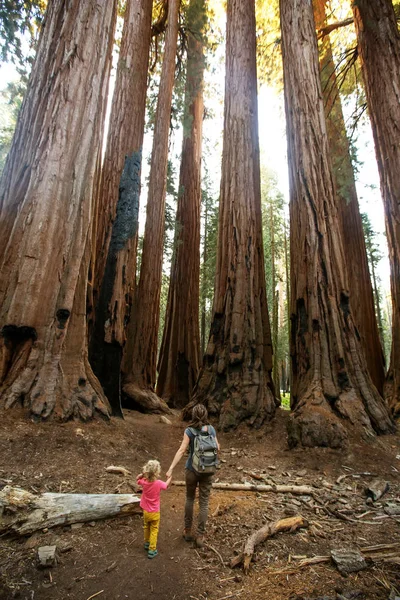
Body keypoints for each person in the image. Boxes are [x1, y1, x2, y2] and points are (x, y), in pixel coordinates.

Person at [166, 404, 220, 548]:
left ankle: (188, 531)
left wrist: (171, 468)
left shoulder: (189, 431)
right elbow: (217, 447)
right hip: (208, 471)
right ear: (206, 415)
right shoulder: (211, 429)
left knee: (190, 498)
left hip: (191, 469)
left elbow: (182, 450)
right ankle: (200, 535)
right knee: (204, 502)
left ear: (193, 415)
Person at [136, 459, 172, 559]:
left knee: (146, 526)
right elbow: (166, 486)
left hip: (145, 510)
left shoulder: (144, 482)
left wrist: (142, 475)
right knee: (154, 529)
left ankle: (147, 543)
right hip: (155, 511)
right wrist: (169, 478)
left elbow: (137, 480)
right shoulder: (159, 483)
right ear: (157, 472)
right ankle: (152, 550)